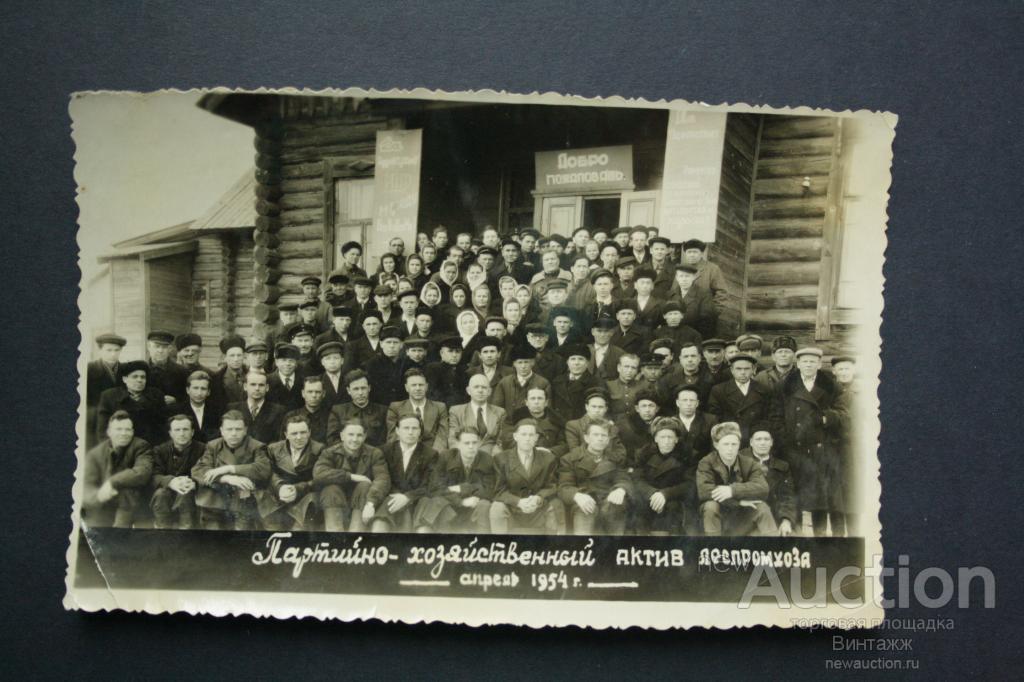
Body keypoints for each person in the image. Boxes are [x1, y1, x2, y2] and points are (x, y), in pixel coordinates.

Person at [775, 347, 850, 537]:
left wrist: (825, 418)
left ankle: (826, 538)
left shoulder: (831, 386)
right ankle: (798, 538)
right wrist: (785, 441)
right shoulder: (785, 386)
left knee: (825, 497)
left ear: (819, 364)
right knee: (798, 496)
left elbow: (844, 414)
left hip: (824, 449)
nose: (808, 365)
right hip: (796, 450)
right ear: (798, 364)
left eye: (812, 361)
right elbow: (776, 416)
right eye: (805, 361)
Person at [192, 410, 271, 530]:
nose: (234, 433)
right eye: (229, 429)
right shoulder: (213, 446)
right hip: (215, 501)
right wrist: (226, 478)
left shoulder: (256, 446)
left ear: (245, 430)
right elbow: (198, 470)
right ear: (222, 431)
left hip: (244, 502)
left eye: (238, 429)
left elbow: (263, 469)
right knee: (212, 534)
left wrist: (229, 468)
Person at [696, 422, 777, 536]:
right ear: (716, 445)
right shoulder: (706, 462)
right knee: (711, 506)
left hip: (740, 517)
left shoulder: (749, 463)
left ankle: (773, 543)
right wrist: (737, 502)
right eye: (726, 444)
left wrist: (732, 490)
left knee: (762, 507)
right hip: (717, 515)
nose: (730, 449)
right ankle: (713, 543)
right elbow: (704, 491)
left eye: (734, 444)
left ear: (739, 445)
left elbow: (763, 488)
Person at [490, 419, 564, 534]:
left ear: (536, 438)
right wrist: (518, 502)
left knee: (556, 503)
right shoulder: (501, 459)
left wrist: (538, 498)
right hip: (513, 509)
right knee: (497, 507)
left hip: (538, 509)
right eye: (523, 434)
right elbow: (499, 491)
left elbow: (552, 486)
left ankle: (555, 542)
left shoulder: (548, 458)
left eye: (531, 435)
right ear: (515, 437)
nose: (527, 438)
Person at [82, 410, 153, 528]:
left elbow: (142, 472)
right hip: (104, 505)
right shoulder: (95, 454)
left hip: (135, 505)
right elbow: (86, 486)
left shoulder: (141, 446)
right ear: (109, 432)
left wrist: (112, 482)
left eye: (127, 429)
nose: (123, 433)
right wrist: (98, 496)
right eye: (118, 429)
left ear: (133, 432)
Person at [314, 420, 390, 532]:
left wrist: (371, 503)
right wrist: (350, 476)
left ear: (364, 437)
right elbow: (319, 473)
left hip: (363, 502)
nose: (355, 439)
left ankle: (356, 532)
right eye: (350, 434)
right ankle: (334, 533)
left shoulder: (374, 453)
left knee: (364, 485)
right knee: (330, 489)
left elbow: (382, 479)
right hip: (336, 502)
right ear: (342, 436)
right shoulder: (330, 452)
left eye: (359, 435)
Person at [558, 421, 631, 535]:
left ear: (608, 440)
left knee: (617, 506)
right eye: (596, 435)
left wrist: (620, 489)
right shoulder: (570, 459)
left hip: (608, 503)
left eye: (604, 435)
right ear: (586, 438)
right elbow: (564, 487)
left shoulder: (615, 458)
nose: (600, 439)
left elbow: (623, 479)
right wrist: (577, 496)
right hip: (584, 504)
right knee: (585, 512)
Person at [371, 414, 438, 532]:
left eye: (414, 428)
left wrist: (408, 497)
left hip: (416, 501)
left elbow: (430, 485)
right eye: (406, 428)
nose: (410, 432)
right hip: (390, 500)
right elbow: (381, 479)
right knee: (379, 525)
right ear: (397, 431)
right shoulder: (384, 451)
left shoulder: (430, 454)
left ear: (420, 431)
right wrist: (398, 497)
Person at [259, 414, 325, 530]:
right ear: (286, 435)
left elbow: (321, 478)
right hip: (278, 496)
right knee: (272, 527)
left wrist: (298, 489)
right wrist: (280, 487)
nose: (299, 437)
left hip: (304, 497)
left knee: (299, 529)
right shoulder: (273, 449)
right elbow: (268, 472)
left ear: (309, 432)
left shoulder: (320, 449)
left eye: (303, 432)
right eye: (294, 433)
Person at [632, 419, 697, 535]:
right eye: (662, 437)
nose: (666, 441)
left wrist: (665, 494)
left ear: (676, 439)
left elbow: (690, 484)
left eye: (670, 437)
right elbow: (637, 479)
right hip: (648, 498)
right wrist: (653, 493)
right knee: (639, 511)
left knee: (673, 511)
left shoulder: (687, 454)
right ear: (656, 439)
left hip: (674, 499)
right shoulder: (644, 453)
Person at [149, 413, 205, 529]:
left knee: (185, 494)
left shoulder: (203, 449)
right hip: (167, 494)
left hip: (192, 494)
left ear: (192, 432)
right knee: (160, 494)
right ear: (170, 433)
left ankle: (186, 531)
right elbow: (154, 475)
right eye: (177, 430)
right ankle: (162, 529)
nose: (181, 433)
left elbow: (206, 471)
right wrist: (171, 482)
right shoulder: (160, 450)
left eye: (185, 429)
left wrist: (194, 483)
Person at [706, 353, 775, 445]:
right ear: (732, 370)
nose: (743, 372)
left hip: (755, 440)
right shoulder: (719, 390)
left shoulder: (764, 390)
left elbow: (768, 418)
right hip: (730, 439)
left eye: (747, 369)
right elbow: (715, 419)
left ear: (753, 369)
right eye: (738, 369)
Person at [95, 360, 166, 446]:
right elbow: (103, 430)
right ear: (124, 379)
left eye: (143, 377)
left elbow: (163, 427)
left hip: (149, 446)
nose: (139, 380)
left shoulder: (156, 396)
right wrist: (110, 449)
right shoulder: (109, 396)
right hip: (120, 445)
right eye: (135, 377)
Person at [745, 424, 797, 537]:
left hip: (775, 517)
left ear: (771, 442)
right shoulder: (741, 461)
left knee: (794, 537)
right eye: (758, 439)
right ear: (751, 442)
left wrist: (786, 520)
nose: (762, 443)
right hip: (747, 518)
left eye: (766, 439)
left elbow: (787, 496)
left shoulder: (782, 466)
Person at [386, 369, 449, 452]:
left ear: (426, 387)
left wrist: (433, 455)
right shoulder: (396, 408)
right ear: (406, 388)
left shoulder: (439, 407)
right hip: (405, 452)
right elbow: (394, 437)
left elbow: (442, 437)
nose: (418, 388)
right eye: (413, 385)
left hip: (432, 452)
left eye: (421, 385)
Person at [447, 374, 509, 456]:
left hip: (490, 456)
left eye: (484, 387)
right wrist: (463, 456)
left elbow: (501, 440)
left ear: (489, 391)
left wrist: (495, 454)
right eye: (476, 387)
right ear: (468, 390)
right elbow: (453, 439)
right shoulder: (456, 411)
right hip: (465, 456)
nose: (480, 390)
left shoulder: (500, 412)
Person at [326, 369, 388, 447]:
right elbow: (332, 439)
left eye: (363, 388)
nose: (360, 393)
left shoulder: (382, 411)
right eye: (356, 389)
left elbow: (385, 440)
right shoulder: (338, 411)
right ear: (349, 391)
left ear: (369, 388)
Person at [563, 388, 627, 463]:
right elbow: (575, 451)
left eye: (600, 407)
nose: (597, 410)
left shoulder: (612, 428)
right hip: (583, 465)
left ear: (606, 409)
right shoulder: (574, 425)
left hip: (608, 465)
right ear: (587, 407)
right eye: (593, 406)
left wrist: (604, 461)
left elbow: (620, 453)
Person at [226, 370, 287, 445]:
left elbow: (279, 440)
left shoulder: (279, 411)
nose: (257, 388)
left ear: (267, 388)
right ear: (245, 386)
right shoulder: (232, 408)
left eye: (261, 385)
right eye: (253, 384)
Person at [490, 345, 551, 415]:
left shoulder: (543, 383)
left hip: (533, 421)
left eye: (526, 362)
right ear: (514, 364)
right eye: (520, 362)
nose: (523, 366)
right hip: (509, 421)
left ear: (532, 363)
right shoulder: (504, 383)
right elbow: (496, 409)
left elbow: (547, 410)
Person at [550, 343, 601, 422]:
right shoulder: (557, 381)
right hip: (558, 424)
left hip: (582, 425)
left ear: (587, 362)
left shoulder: (595, 383)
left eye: (581, 359)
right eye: (573, 359)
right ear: (567, 362)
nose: (576, 363)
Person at [680, 239, 729, 313]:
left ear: (701, 253)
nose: (692, 255)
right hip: (683, 314)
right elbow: (674, 291)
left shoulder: (712, 269)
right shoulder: (681, 269)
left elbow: (722, 292)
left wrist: (713, 312)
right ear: (685, 254)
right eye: (689, 252)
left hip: (704, 314)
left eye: (695, 252)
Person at [364, 326, 408, 406]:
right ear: (381, 344)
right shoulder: (372, 364)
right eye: (388, 342)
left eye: (395, 342)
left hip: (403, 406)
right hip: (380, 406)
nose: (392, 346)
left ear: (401, 344)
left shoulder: (408, 363)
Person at [673, 385, 718, 458]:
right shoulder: (671, 422)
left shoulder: (710, 420)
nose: (688, 404)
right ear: (677, 403)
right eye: (684, 400)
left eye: (692, 400)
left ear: (697, 403)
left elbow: (715, 448)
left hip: (704, 462)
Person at [282, 376, 331, 443]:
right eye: (310, 392)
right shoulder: (291, 416)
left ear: (323, 394)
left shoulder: (330, 416)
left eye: (318, 392)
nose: (314, 395)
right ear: (303, 393)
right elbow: (283, 442)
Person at [425, 335, 470, 407]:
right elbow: (431, 394)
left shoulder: (464, 371)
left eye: (457, 351)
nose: (454, 355)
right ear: (441, 353)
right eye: (450, 351)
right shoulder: (433, 369)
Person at [176, 370, 221, 442]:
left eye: (203, 389)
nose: (199, 393)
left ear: (208, 392)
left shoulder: (217, 410)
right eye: (195, 388)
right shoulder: (176, 411)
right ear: (187, 390)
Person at [145, 330, 189, 404]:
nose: (160, 350)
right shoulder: (142, 370)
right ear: (149, 347)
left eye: (164, 347)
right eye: (157, 346)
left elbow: (188, 397)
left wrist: (176, 400)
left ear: (170, 349)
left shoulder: (181, 371)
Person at [615, 388, 660, 455]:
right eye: (643, 406)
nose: (647, 410)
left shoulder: (662, 425)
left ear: (657, 409)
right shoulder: (627, 428)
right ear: (637, 408)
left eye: (651, 406)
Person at [606, 353, 644, 420]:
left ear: (637, 370)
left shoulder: (643, 387)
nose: (629, 371)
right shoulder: (608, 386)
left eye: (633, 368)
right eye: (626, 366)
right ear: (619, 368)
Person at [267, 343, 304, 410]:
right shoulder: (267, 381)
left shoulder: (304, 381)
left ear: (296, 363)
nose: (287, 364)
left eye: (291, 360)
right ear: (276, 362)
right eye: (283, 360)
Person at [587, 316, 625, 381]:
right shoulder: (584, 350)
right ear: (592, 332)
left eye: (606, 331)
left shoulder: (620, 353)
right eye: (599, 331)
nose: (602, 335)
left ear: (612, 333)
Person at [316, 341, 347, 407]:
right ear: (322, 362)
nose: (332, 362)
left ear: (342, 361)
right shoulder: (318, 381)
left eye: (336, 358)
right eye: (328, 359)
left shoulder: (350, 378)